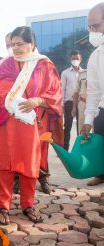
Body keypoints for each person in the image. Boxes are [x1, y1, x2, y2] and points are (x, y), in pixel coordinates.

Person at [0, 26, 62, 224]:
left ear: (32, 44)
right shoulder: (6, 64)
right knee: (2, 164)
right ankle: (2, 206)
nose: (15, 48)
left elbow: (55, 94)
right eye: (13, 44)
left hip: (29, 123)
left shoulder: (44, 65)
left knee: (29, 164)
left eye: (20, 44)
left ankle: (28, 204)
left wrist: (38, 101)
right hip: (4, 121)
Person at [81, 2, 104, 186]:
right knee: (100, 146)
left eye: (96, 26)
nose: (93, 31)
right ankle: (101, 174)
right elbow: (94, 91)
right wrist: (88, 119)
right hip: (103, 110)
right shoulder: (97, 55)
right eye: (90, 27)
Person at [61, 50, 83, 150]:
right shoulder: (65, 73)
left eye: (77, 59)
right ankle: (65, 148)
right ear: (70, 59)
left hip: (81, 102)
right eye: (73, 59)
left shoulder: (84, 73)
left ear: (81, 59)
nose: (75, 60)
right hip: (69, 103)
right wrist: (62, 104)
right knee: (67, 126)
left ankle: (80, 149)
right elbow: (62, 89)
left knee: (81, 126)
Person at [71, 69, 87, 134]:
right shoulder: (82, 74)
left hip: (99, 106)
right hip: (83, 104)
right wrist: (74, 108)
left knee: (98, 132)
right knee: (83, 131)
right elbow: (76, 92)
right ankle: (83, 144)